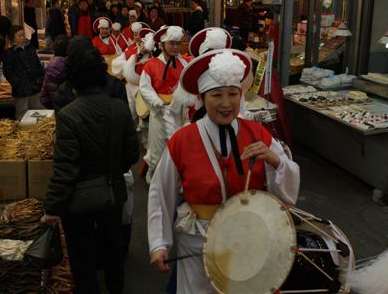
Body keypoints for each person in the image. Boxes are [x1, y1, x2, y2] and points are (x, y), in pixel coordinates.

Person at [148, 49, 300, 293]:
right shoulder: (182, 140)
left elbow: (286, 195)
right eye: (216, 95)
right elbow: (160, 193)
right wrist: (159, 243)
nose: (226, 103)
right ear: (202, 98)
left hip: (248, 237)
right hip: (198, 241)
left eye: (233, 94)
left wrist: (276, 162)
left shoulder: (257, 133)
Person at [42, 41, 139, 294]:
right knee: (113, 248)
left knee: (82, 257)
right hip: (112, 190)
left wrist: (52, 207)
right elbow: (131, 152)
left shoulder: (68, 114)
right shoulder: (119, 108)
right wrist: (111, 169)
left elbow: (65, 167)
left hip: (78, 199)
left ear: (72, 79)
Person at [139, 26, 189, 183]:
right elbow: (144, 88)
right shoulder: (151, 64)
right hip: (159, 112)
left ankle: (174, 178)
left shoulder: (185, 63)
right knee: (158, 146)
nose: (175, 47)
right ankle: (153, 174)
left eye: (177, 43)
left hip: (179, 111)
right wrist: (156, 102)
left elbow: (188, 86)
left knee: (178, 146)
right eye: (171, 43)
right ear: (162, 44)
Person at [2, 25, 45, 120]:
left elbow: (38, 65)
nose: (22, 38)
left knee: (38, 113)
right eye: (19, 36)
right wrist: (17, 83)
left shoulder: (30, 48)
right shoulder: (9, 54)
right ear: (12, 38)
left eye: (23, 35)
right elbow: (8, 72)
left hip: (35, 86)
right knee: (22, 114)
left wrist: (40, 78)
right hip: (20, 90)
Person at [40, 35, 68, 109]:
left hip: (54, 103)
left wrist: (46, 102)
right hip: (67, 104)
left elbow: (45, 87)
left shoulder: (50, 64)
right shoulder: (67, 65)